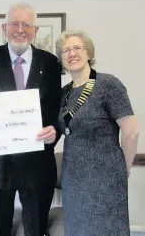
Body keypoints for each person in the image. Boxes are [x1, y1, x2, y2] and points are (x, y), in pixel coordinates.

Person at [0, 2, 62, 236]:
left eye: (26, 25)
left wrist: (55, 129)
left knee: (35, 230)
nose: (20, 30)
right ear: (4, 27)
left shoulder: (50, 62)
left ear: (35, 30)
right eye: (14, 24)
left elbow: (55, 108)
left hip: (37, 164)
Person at [56, 30, 139, 236]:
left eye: (77, 48)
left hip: (104, 177)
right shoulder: (64, 93)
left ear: (88, 53)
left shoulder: (107, 84)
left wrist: (125, 166)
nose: (71, 53)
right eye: (66, 50)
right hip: (73, 178)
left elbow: (131, 131)